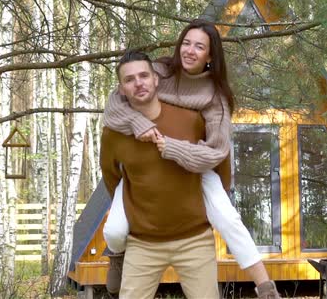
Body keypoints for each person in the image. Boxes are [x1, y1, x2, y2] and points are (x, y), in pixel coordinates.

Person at [102, 19, 280, 298]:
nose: (189, 51)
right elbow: (114, 104)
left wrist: (174, 148)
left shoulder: (214, 96)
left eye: (199, 46)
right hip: (143, 179)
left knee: (228, 219)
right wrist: (136, 123)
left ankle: (265, 286)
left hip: (196, 164)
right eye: (186, 42)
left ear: (210, 56)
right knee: (113, 229)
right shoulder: (158, 70)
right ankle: (117, 255)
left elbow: (217, 152)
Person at [100, 51, 219, 298]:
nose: (139, 83)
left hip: (195, 238)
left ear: (156, 79)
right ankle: (117, 255)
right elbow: (111, 176)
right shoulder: (113, 134)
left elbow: (215, 160)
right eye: (130, 79)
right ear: (121, 89)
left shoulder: (190, 119)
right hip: (143, 242)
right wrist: (132, 211)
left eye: (144, 75)